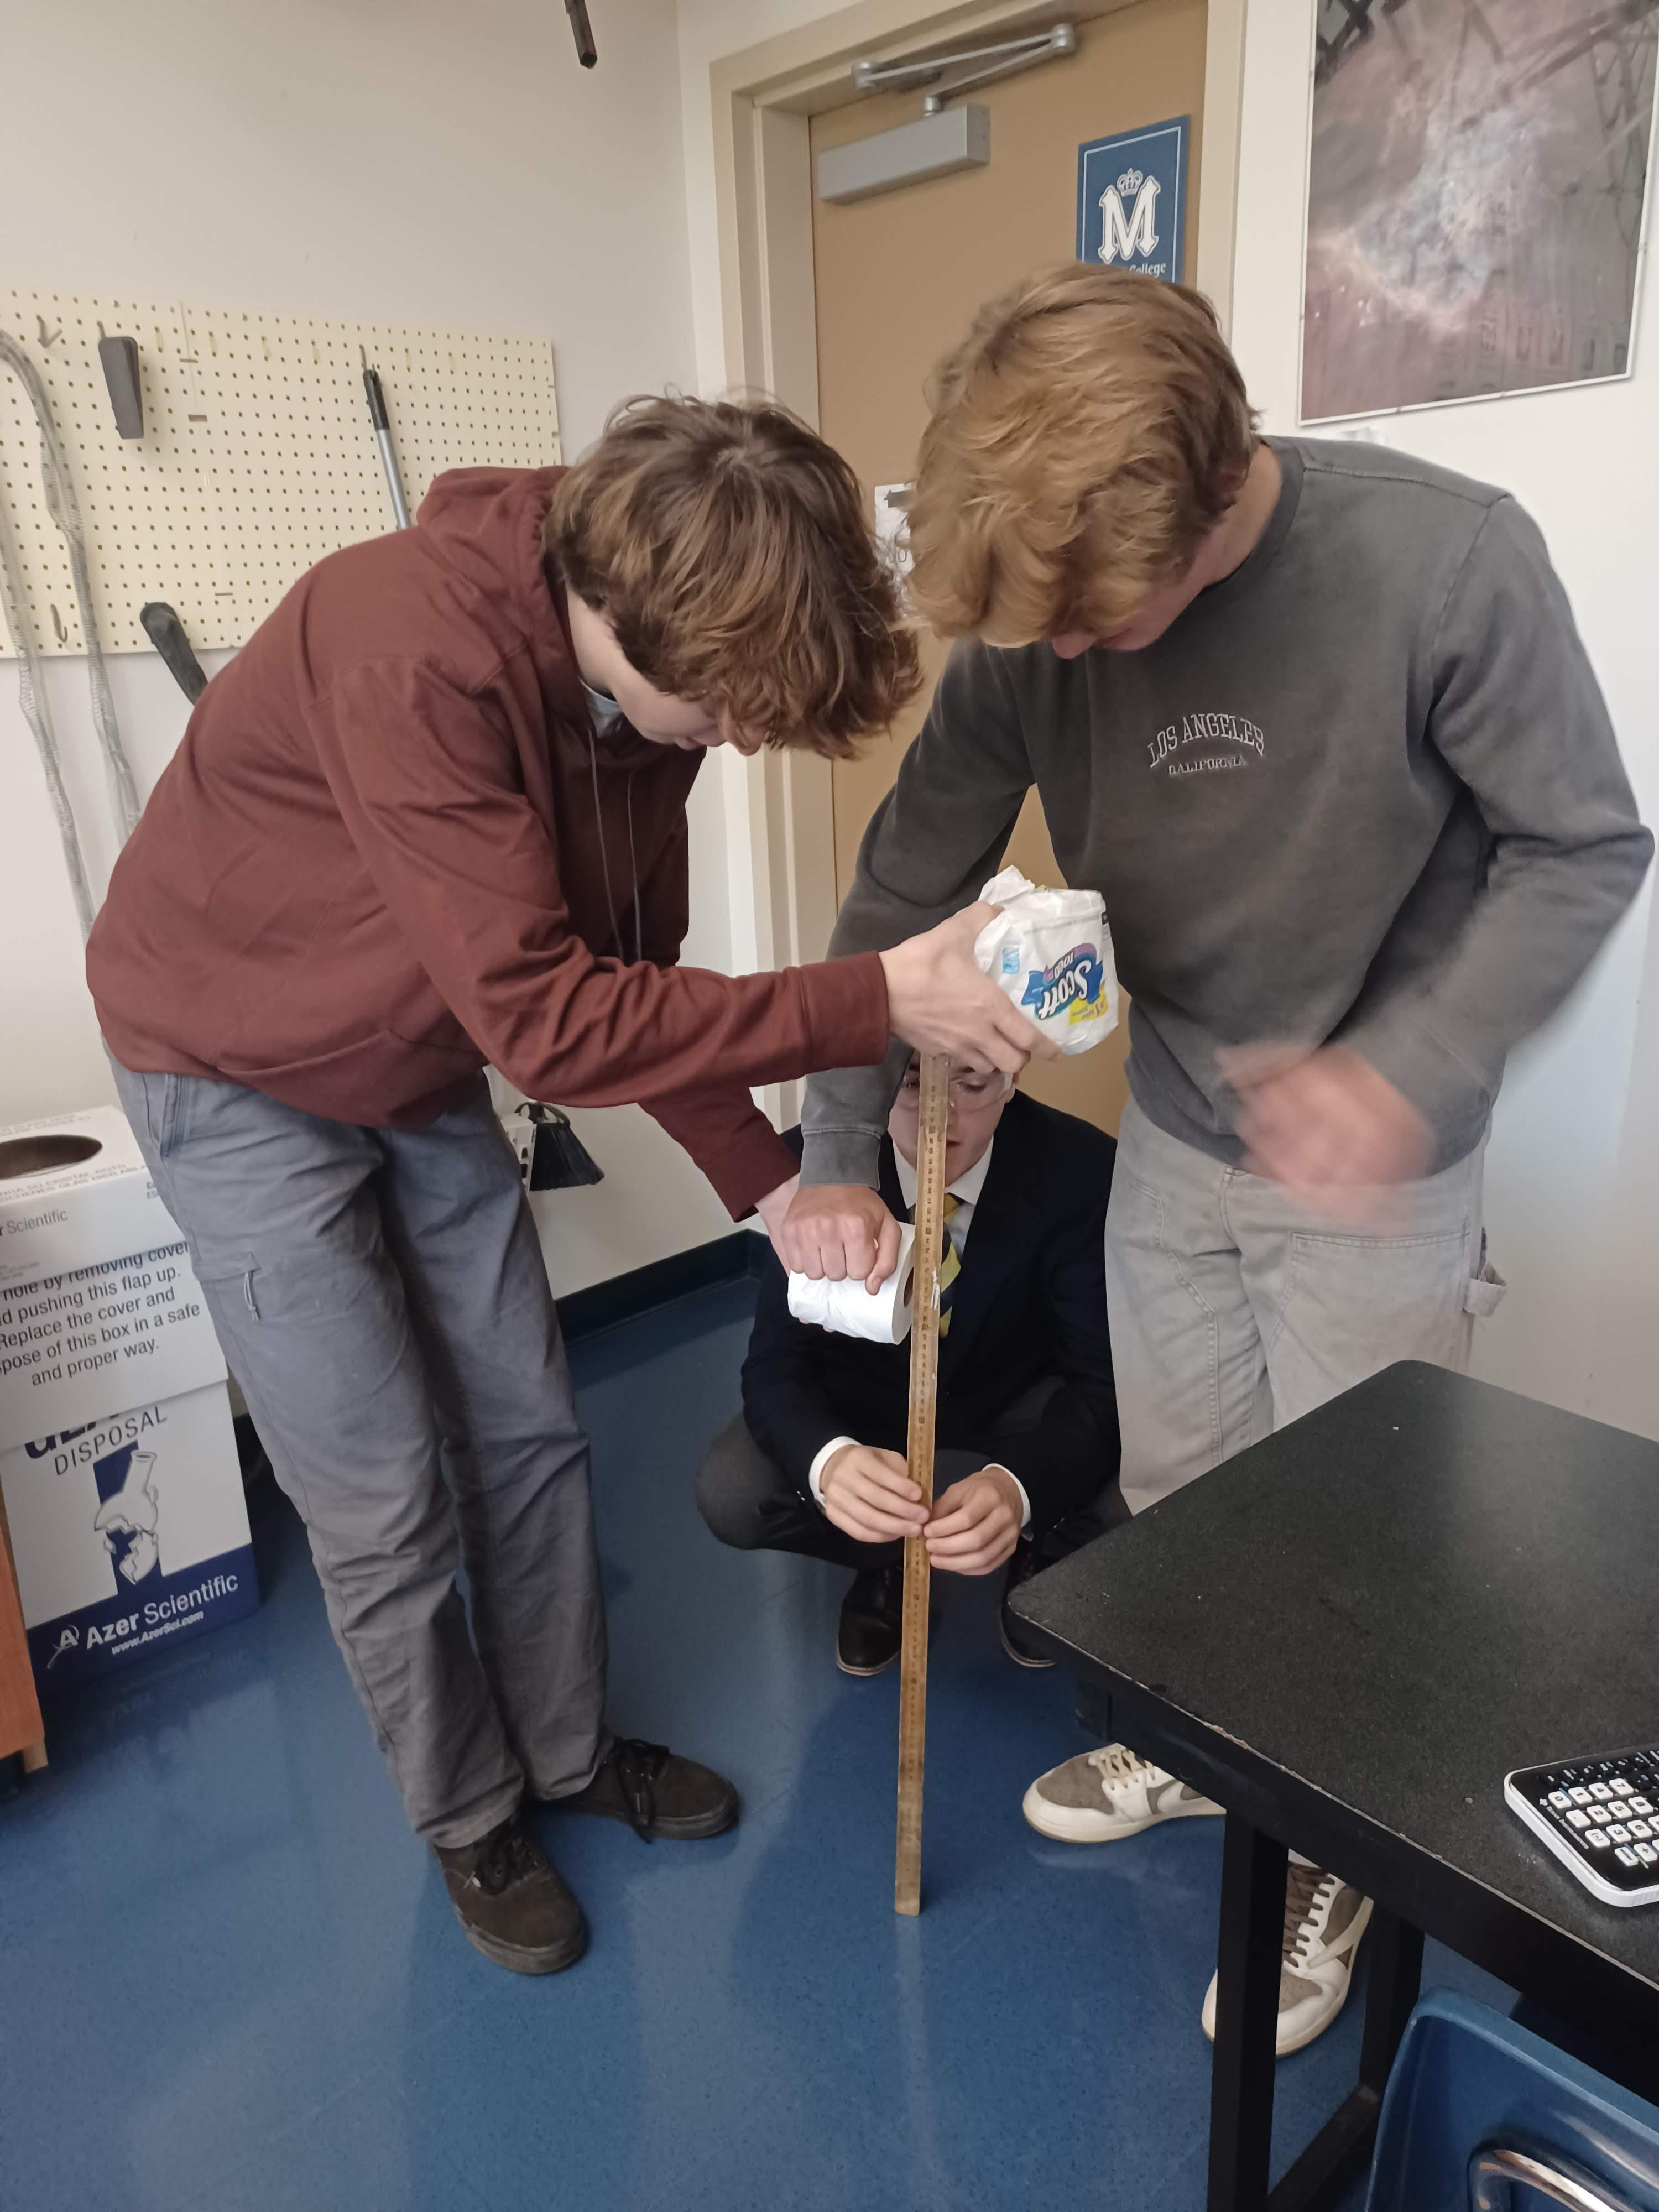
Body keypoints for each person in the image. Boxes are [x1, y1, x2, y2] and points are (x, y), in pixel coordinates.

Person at [776, 267, 1653, 2053]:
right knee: (1182, 1496)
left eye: (1097, 630)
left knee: (1359, 1542)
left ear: (1207, 496)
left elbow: (1583, 847)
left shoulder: (1448, 564)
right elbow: (900, 892)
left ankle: (1335, 1843)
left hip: (1380, 1161)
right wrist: (842, 1146)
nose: (1065, 661)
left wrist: (1407, 1074)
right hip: (1175, 1123)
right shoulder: (1032, 626)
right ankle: (1207, 1752)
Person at [87, 395, 1051, 1978]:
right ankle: (471, 1815)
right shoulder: (404, 646)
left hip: (412, 1057)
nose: (739, 740)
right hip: (231, 1069)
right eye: (726, 707)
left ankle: (564, 1754)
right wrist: (874, 995)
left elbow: (628, 974)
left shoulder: (636, 710)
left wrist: (771, 1190)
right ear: (634, 623)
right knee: (382, 1490)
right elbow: (548, 1023)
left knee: (529, 1431)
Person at [698, 1060, 1123, 1672]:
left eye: (971, 1084)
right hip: (869, 1401)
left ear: (1012, 1076)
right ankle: (885, 1558)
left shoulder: (1079, 1168)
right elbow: (775, 1366)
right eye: (913, 1083)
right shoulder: (814, 1168)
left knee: (1130, 1488)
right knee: (735, 1491)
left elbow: (1099, 1380)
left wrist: (1022, 1491)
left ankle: (1038, 1548)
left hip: (1015, 1393)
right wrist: (830, 1462)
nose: (939, 1117)